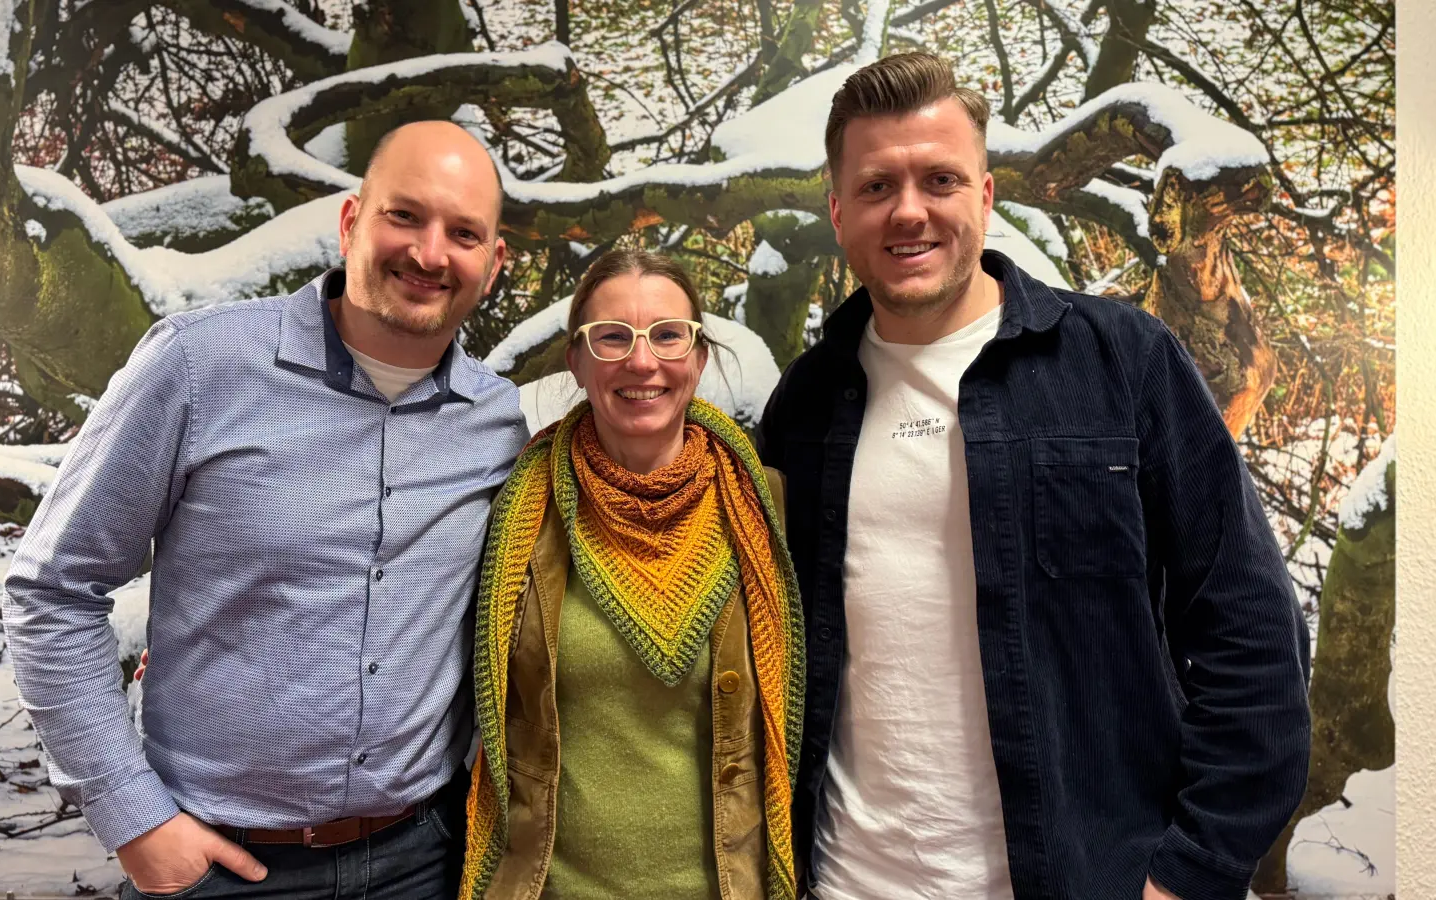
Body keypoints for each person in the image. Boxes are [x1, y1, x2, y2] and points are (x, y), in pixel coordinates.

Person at [755, 53, 1311, 900]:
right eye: (875, 187)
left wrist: (1190, 873)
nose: (909, 211)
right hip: (843, 881)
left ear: (984, 196)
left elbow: (1254, 637)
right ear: (838, 211)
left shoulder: (1122, 362)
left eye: (939, 179)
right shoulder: (805, 403)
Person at [2, 120, 529, 900]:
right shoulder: (197, 365)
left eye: (463, 232)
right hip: (221, 866)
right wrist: (132, 814)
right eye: (404, 215)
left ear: (492, 262)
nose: (429, 252)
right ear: (352, 221)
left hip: (425, 861)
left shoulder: (497, 422)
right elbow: (51, 592)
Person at [457, 249, 805, 900]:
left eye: (668, 335)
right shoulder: (519, 517)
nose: (642, 361)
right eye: (611, 337)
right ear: (577, 361)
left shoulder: (769, 510)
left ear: (699, 357)